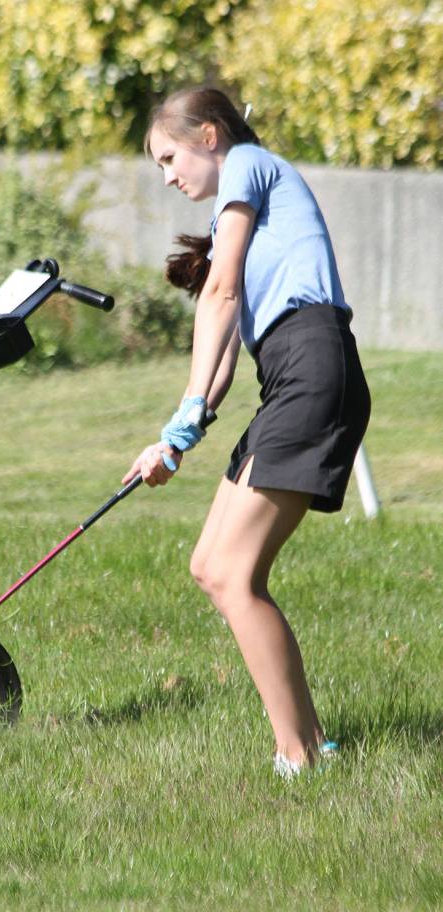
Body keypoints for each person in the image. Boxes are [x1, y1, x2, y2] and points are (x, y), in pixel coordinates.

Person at [123, 87, 371, 777]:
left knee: (236, 576)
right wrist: (179, 436)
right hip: (288, 376)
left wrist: (179, 422)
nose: (168, 176)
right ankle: (313, 742)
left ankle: (297, 755)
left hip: (315, 369)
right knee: (211, 564)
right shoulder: (247, 204)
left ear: (209, 136)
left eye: (169, 157)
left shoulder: (248, 165)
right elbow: (227, 341)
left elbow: (221, 293)